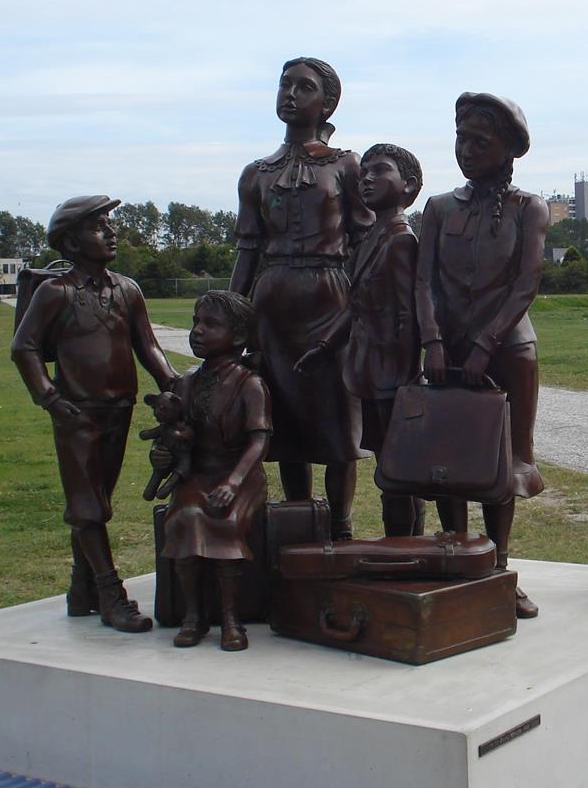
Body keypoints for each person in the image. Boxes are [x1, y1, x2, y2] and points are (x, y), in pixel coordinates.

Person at [11, 195, 178, 633]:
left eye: (109, 224)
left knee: (95, 499)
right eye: (98, 226)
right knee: (88, 505)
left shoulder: (127, 290)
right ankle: (109, 593)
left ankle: (80, 589)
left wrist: (174, 385)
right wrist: (50, 398)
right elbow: (24, 347)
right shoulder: (55, 292)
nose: (111, 233)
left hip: (119, 409)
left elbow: (149, 346)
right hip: (77, 413)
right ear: (70, 241)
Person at [229, 56, 373, 541]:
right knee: (286, 420)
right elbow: (248, 250)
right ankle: (300, 524)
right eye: (284, 84)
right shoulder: (255, 173)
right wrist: (230, 316)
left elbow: (364, 239)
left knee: (337, 423)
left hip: (330, 298)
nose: (290, 94)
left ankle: (341, 527)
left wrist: (364, 307)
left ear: (327, 104)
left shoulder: (346, 165)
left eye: (304, 87)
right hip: (273, 305)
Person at [416, 93, 548, 618]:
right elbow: (423, 282)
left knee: (502, 463)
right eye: (461, 139)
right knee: (446, 460)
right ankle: (456, 557)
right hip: (445, 349)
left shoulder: (528, 208)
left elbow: (526, 284)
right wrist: (432, 341)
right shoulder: (438, 208)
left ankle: (498, 569)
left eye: (480, 142)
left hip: (508, 349)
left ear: (507, 150)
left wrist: (486, 343)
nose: (467, 151)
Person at [295, 143, 425, 536]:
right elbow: (355, 308)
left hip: (392, 378)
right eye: (364, 171)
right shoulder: (372, 238)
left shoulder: (401, 239)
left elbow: (409, 315)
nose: (367, 178)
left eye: (380, 170)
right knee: (392, 468)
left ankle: (403, 546)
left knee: (396, 472)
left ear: (409, 185)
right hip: (370, 372)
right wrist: (324, 348)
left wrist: (404, 377)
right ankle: (403, 544)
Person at [157, 291, 272, 651]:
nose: (198, 330)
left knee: (225, 521)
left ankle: (230, 618)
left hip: (241, 475)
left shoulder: (249, 384)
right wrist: (165, 455)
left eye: (210, 324)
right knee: (185, 518)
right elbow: (177, 436)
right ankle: (194, 615)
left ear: (238, 336)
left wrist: (234, 482)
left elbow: (259, 442)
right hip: (198, 474)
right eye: (196, 321)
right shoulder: (186, 383)